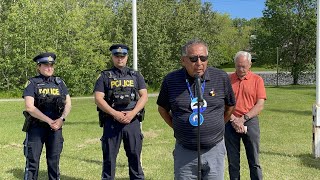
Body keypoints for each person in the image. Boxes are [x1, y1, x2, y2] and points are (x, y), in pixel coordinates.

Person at [157, 39, 236, 179]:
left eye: (203, 58)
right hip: (185, 151)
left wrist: (217, 125)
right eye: (193, 59)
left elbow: (230, 106)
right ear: (183, 60)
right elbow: (162, 109)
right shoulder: (171, 80)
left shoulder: (221, 77)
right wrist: (177, 127)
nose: (199, 63)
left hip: (214, 149)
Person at [94, 44, 148, 180]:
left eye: (122, 56)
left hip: (132, 121)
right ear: (112, 57)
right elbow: (98, 99)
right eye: (117, 56)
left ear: (127, 57)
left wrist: (133, 113)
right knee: (109, 159)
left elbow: (144, 96)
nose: (120, 59)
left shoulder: (136, 75)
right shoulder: (104, 76)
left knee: (135, 157)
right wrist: (115, 114)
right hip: (112, 122)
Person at [22, 52, 72, 180]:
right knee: (32, 162)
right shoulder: (32, 83)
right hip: (36, 128)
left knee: (54, 162)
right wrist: (49, 121)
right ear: (38, 67)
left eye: (51, 65)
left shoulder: (60, 83)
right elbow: (29, 107)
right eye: (45, 65)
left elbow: (68, 103)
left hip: (55, 128)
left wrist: (61, 119)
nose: (49, 68)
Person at [225, 51, 267, 180]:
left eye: (243, 66)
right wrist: (233, 119)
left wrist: (243, 119)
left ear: (250, 65)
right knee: (233, 161)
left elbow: (260, 104)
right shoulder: (227, 80)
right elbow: (222, 102)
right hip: (230, 122)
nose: (240, 69)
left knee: (254, 160)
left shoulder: (257, 80)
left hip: (250, 121)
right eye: (238, 66)